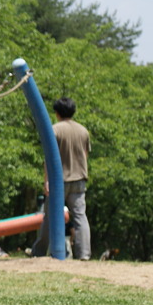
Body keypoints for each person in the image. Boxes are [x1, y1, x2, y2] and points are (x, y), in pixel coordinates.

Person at [30, 97, 91, 259]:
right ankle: (84, 254)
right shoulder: (83, 130)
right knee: (80, 217)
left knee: (50, 217)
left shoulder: (54, 130)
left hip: (59, 180)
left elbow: (49, 158)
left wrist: (47, 180)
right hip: (79, 179)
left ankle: (39, 252)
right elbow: (85, 155)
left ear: (56, 113)